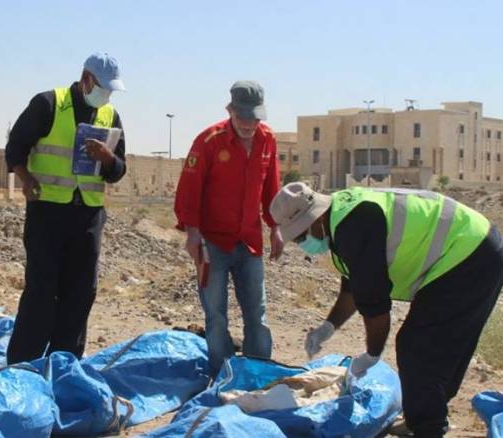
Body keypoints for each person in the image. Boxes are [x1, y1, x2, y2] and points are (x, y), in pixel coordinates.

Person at [269, 182, 503, 437]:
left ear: (316, 218)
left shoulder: (353, 226)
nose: (302, 242)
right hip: (475, 245)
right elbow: (354, 286)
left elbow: (376, 307)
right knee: (437, 348)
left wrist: (371, 355)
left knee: (417, 346)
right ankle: (422, 415)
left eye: (302, 235)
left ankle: (428, 427)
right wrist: (328, 327)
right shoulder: (340, 217)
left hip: (468, 253)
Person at [4, 52, 127, 364]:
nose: (106, 95)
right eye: (103, 87)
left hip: (88, 215)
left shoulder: (110, 116)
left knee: (81, 292)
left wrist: (108, 159)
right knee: (42, 291)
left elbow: (118, 170)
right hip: (47, 211)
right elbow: (15, 147)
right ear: (86, 78)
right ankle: (24, 364)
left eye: (111, 90)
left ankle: (64, 362)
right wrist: (25, 178)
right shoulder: (49, 104)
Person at [174, 80, 284, 373]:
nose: (248, 124)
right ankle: (221, 375)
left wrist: (275, 227)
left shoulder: (268, 139)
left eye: (254, 117)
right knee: (216, 316)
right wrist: (192, 233)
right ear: (230, 110)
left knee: (257, 314)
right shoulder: (209, 140)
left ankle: (258, 374)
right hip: (212, 244)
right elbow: (189, 190)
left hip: (249, 242)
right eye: (242, 117)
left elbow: (271, 188)